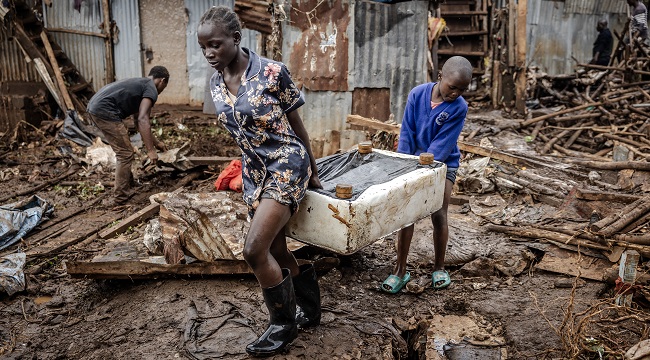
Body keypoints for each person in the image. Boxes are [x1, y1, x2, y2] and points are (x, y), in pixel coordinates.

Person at [197, 6, 322, 357]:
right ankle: (309, 309)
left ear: (236, 39)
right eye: (203, 46)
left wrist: (313, 171)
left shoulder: (272, 72)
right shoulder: (215, 82)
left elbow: (297, 126)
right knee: (278, 249)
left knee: (254, 250)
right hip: (254, 172)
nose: (209, 53)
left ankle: (283, 325)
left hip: (286, 164)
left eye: (216, 45)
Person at [381, 56, 472, 294]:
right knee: (407, 215)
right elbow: (407, 131)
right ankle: (400, 270)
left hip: (443, 164)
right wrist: (404, 163)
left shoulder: (459, 107)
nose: (456, 93)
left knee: (439, 212)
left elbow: (443, 145)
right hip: (412, 162)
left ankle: (439, 267)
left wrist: (426, 168)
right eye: (453, 87)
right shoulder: (417, 94)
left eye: (462, 90)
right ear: (440, 76)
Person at [87, 66, 169, 206]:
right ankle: (120, 198)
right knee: (125, 153)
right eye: (164, 86)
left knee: (125, 150)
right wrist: (150, 151)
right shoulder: (151, 89)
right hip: (104, 110)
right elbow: (144, 120)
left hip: (95, 107)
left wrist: (156, 143)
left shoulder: (142, 84)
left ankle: (128, 186)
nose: (161, 90)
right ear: (162, 81)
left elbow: (138, 121)